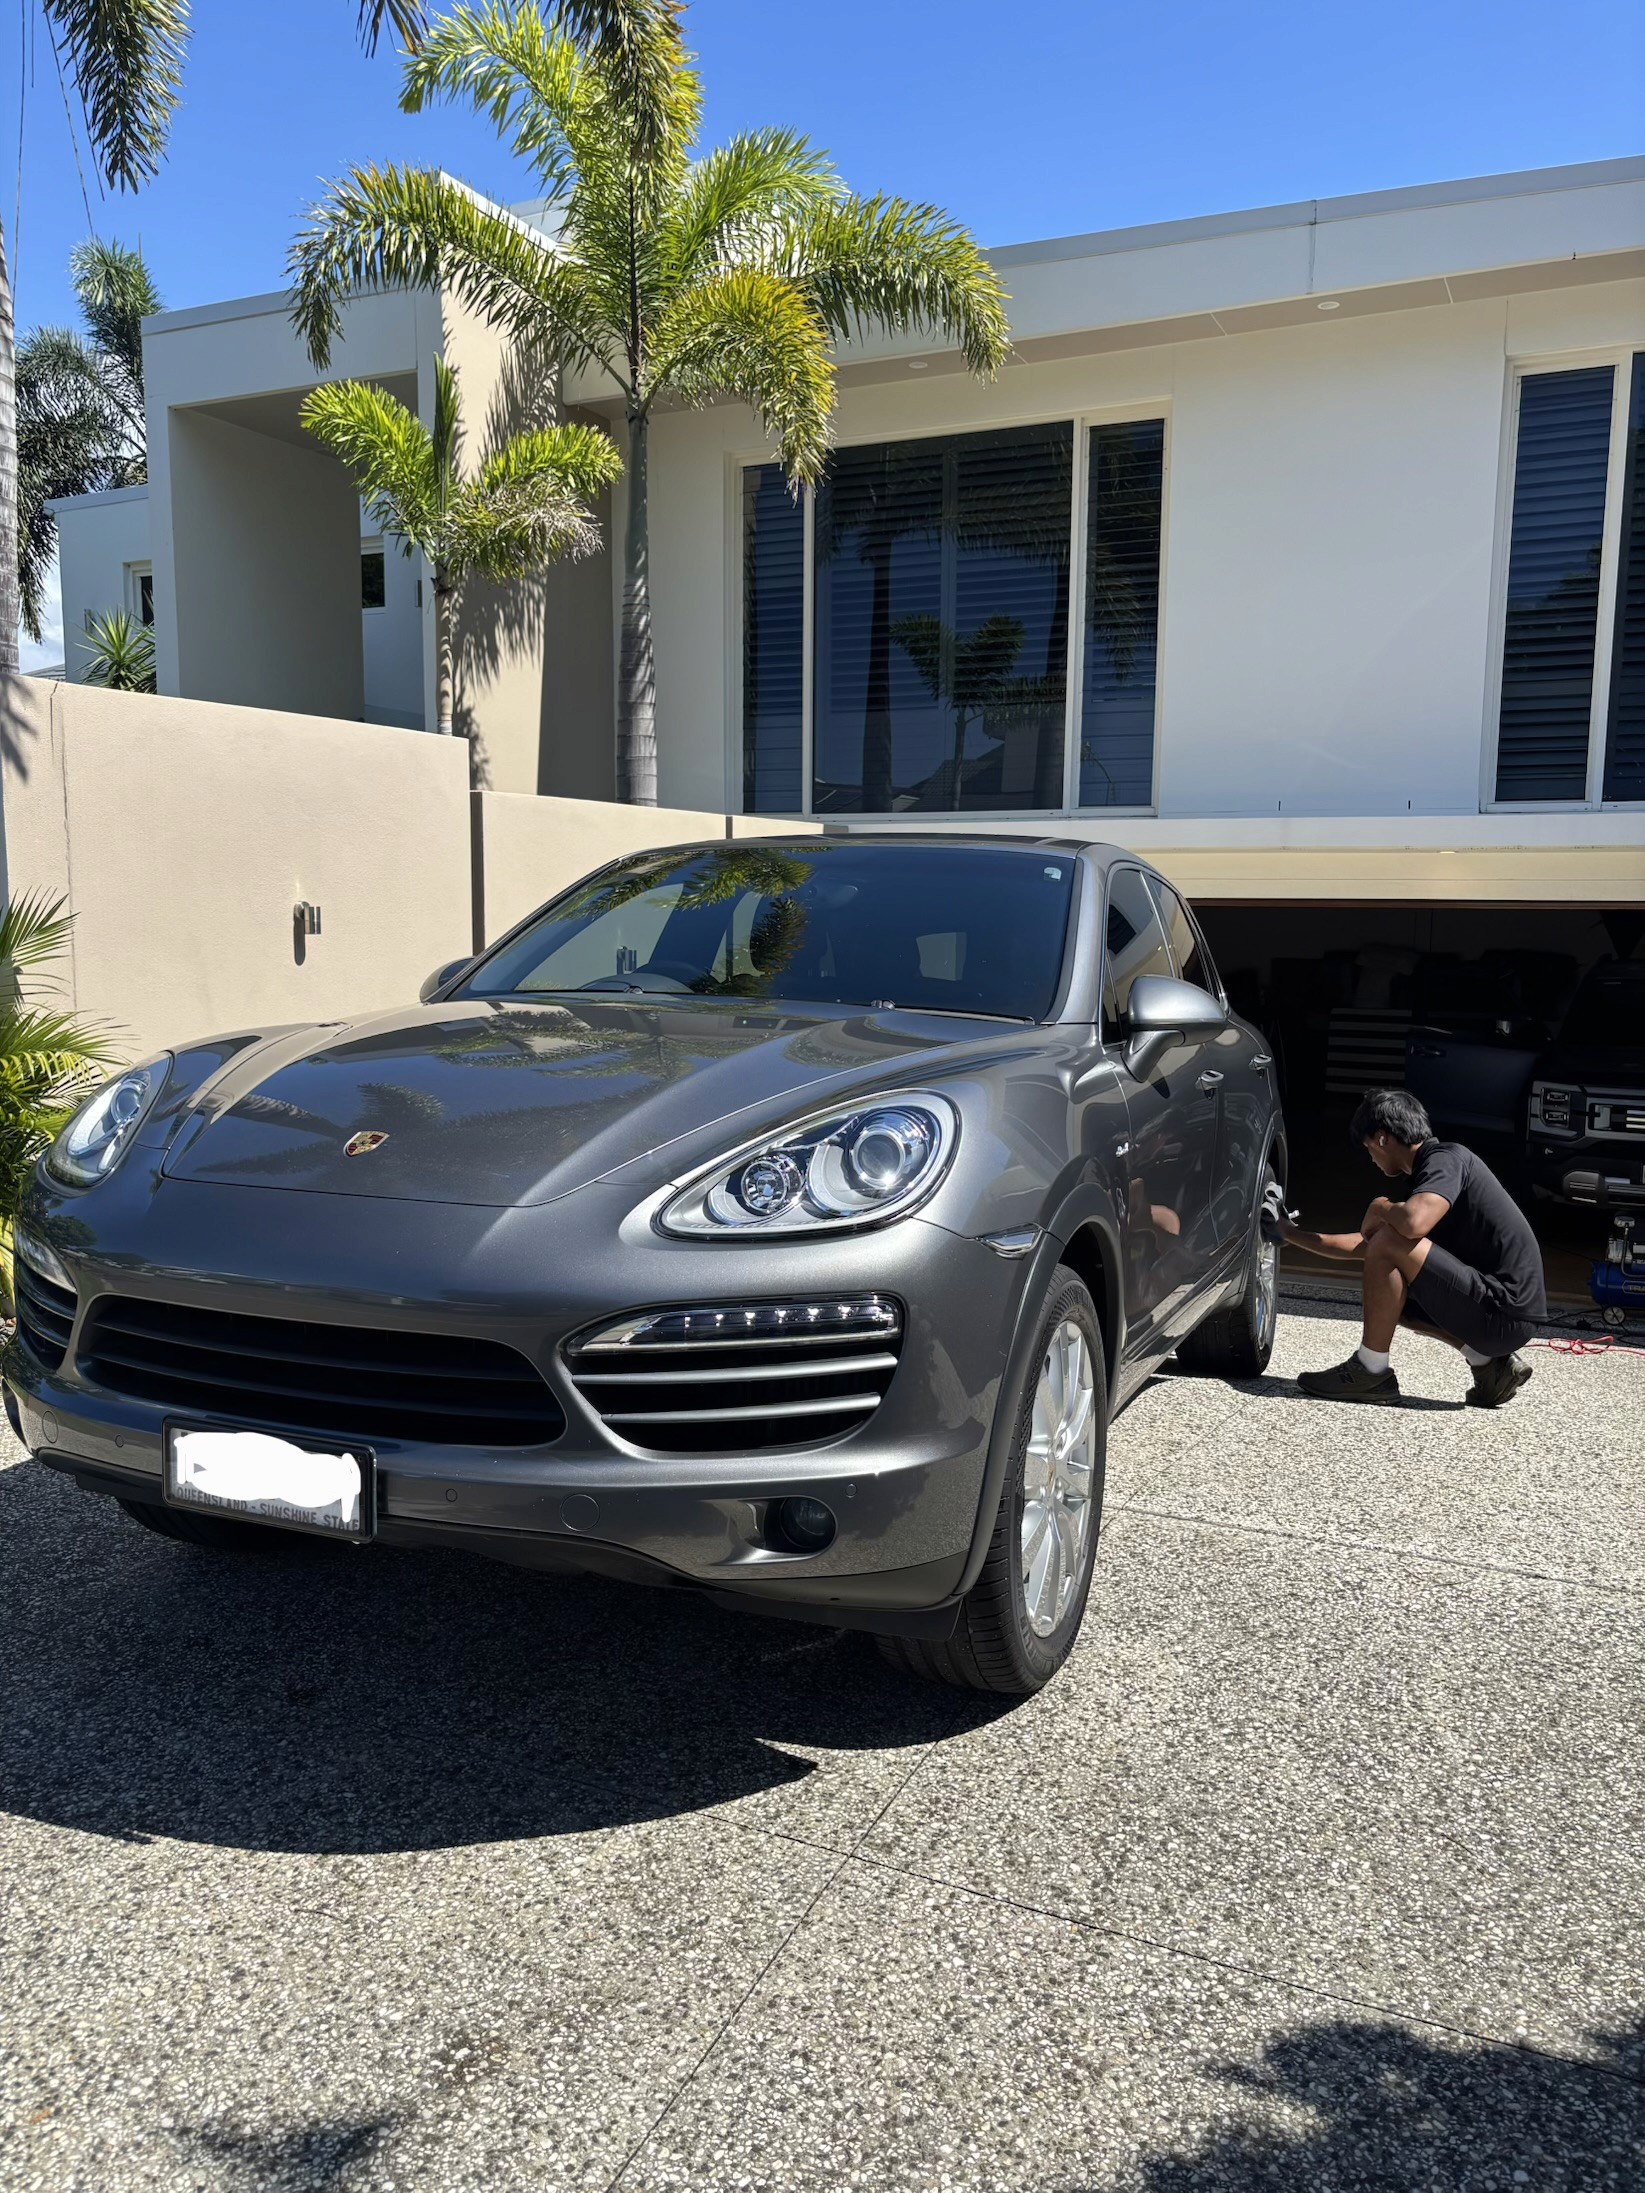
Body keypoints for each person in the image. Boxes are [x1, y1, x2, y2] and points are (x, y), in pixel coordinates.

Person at [1283, 1088, 1546, 1406]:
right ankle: (1490, 1365)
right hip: (1501, 1316)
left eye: (1369, 1150)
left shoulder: (1446, 1159)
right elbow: (1367, 1246)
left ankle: (1369, 1370)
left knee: (1391, 1243)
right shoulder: (1432, 1179)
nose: (1372, 1160)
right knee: (1395, 1299)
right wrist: (1288, 1234)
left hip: (1504, 1310)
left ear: (1382, 1139)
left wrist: (1380, 1206)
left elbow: (1408, 1226)